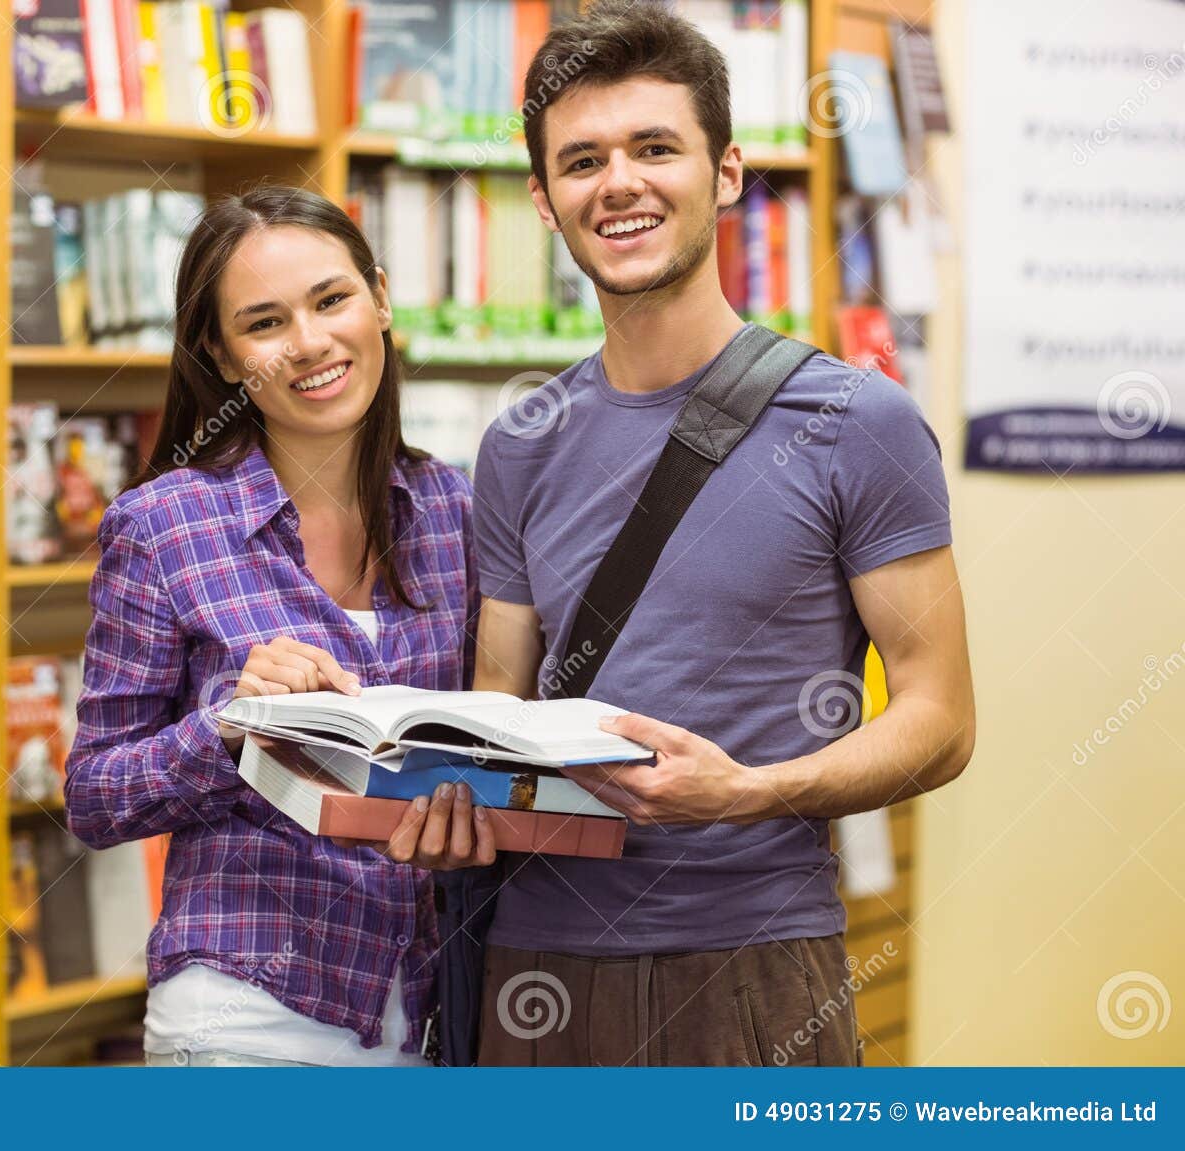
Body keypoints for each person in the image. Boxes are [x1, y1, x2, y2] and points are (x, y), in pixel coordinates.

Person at [374, 1, 974, 1066]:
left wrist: (751, 790)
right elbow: (500, 707)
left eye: (655, 147)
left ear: (727, 173)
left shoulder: (858, 422)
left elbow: (940, 717)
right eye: (582, 160)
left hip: (753, 961)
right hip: (535, 966)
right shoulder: (521, 442)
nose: (620, 183)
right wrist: (431, 788)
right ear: (545, 203)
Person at [62, 185, 480, 1067]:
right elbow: (95, 796)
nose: (310, 343)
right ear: (219, 354)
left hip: (437, 1006)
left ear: (382, 297)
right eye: (265, 323)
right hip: (249, 1016)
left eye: (332, 300)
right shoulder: (164, 525)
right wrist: (231, 730)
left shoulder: (458, 510)